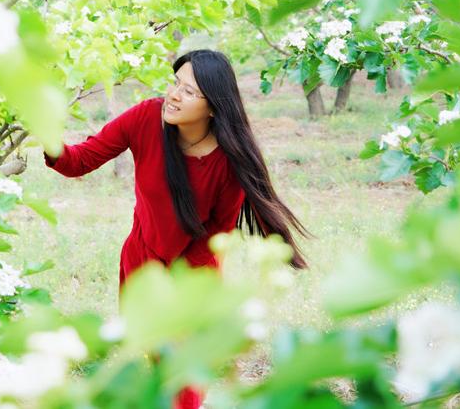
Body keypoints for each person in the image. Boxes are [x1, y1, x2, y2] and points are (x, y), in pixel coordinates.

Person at [44, 49, 309, 409]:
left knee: (182, 373)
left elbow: (217, 235)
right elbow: (80, 160)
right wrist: (45, 133)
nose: (173, 95)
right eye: (175, 83)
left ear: (213, 106)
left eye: (189, 91)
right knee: (151, 363)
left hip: (194, 274)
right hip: (140, 263)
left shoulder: (228, 160)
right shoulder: (145, 118)